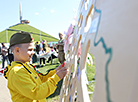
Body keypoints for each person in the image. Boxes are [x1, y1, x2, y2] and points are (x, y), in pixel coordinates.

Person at [4, 31, 68, 102]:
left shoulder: (26, 66)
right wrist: (56, 78)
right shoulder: (16, 72)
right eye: (30, 50)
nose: (33, 52)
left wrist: (56, 72)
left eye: (33, 49)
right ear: (17, 51)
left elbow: (41, 79)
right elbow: (36, 93)